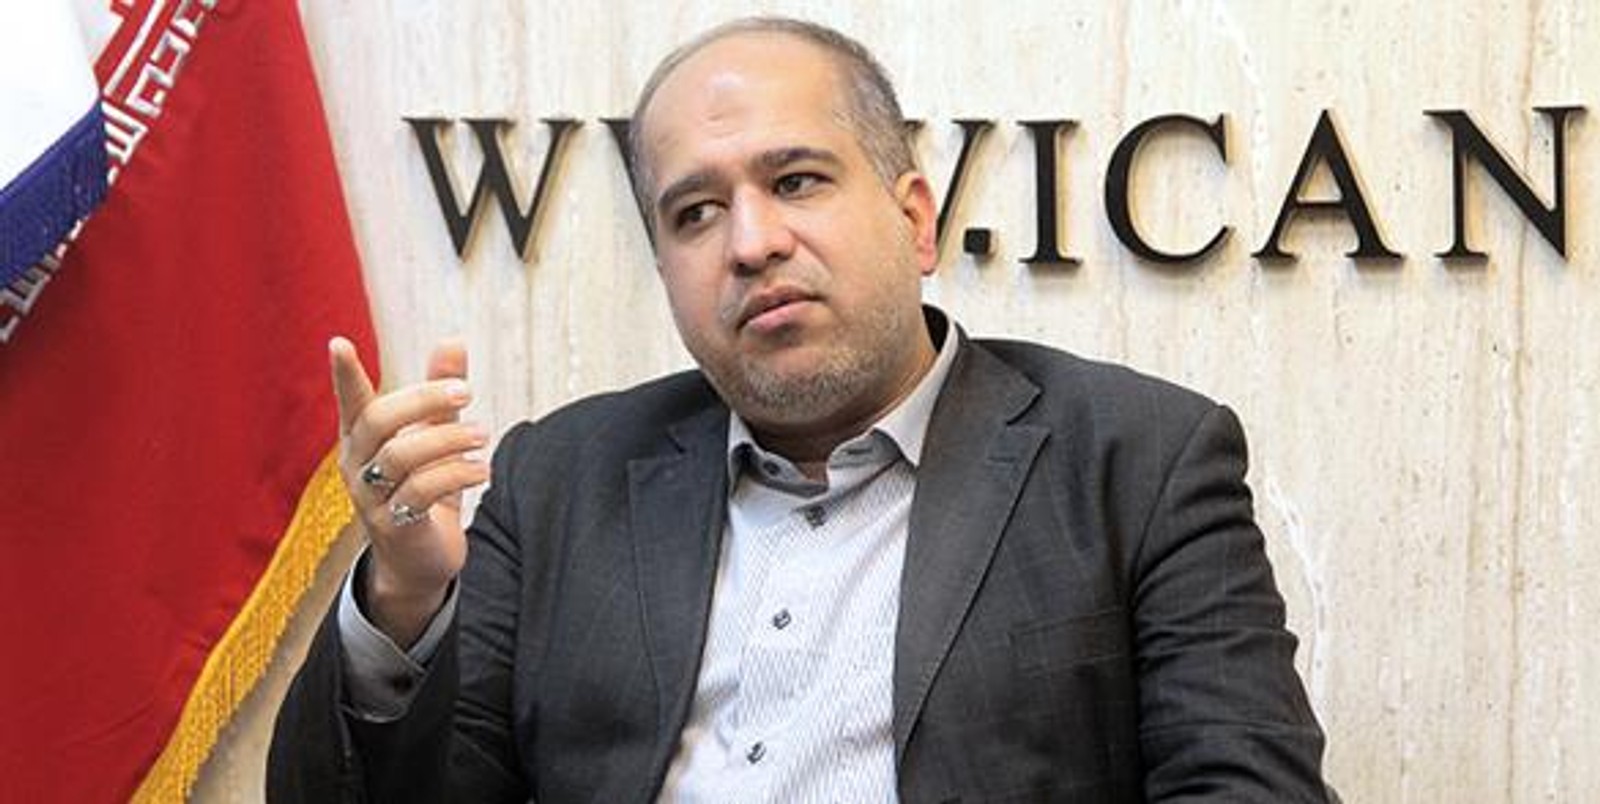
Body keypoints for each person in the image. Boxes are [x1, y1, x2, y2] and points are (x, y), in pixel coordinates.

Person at [269, 16, 1330, 803]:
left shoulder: (1135, 460)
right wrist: (407, 598)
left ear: (914, 220)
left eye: (797, 182)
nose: (751, 243)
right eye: (696, 212)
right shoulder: (562, 479)